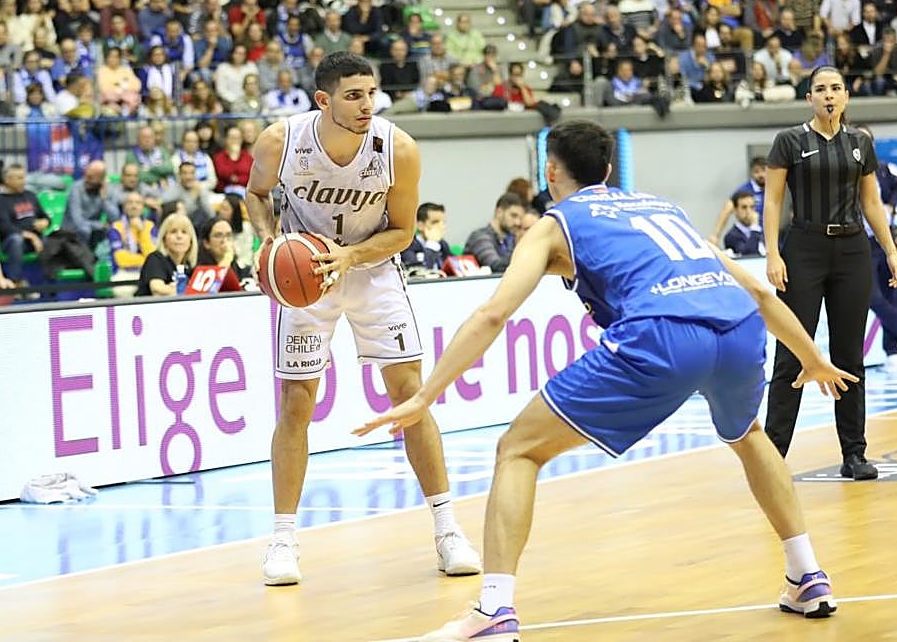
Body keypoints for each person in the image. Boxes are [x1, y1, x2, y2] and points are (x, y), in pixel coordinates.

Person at [356, 119, 859, 640]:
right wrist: (811, 356)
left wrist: (424, 395)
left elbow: (492, 315)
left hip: (661, 335)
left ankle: (493, 611)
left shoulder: (554, 223)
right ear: (610, 169)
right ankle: (807, 576)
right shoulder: (660, 206)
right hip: (737, 330)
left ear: (551, 171)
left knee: (518, 449)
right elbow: (756, 292)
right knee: (748, 435)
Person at [245, 52, 480, 587]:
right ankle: (282, 541)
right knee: (296, 402)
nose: (366, 105)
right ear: (323, 101)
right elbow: (257, 195)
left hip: (372, 270)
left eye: (371, 93)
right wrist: (269, 241)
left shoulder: (397, 149)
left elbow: (402, 231)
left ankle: (448, 530)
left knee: (410, 396)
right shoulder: (280, 142)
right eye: (353, 95)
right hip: (307, 274)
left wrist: (350, 257)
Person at [763, 67, 897, 481]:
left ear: (846, 96)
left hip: (851, 251)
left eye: (836, 88)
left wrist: (891, 251)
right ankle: (773, 456)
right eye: (821, 89)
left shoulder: (860, 143)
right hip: (804, 248)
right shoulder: (789, 141)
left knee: (850, 357)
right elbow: (773, 203)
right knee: (792, 353)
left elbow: (872, 203)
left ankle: (854, 454)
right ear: (810, 97)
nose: (829, 95)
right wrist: (774, 253)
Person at [0, 164, 50, 283]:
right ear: (7, 180)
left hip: (34, 239)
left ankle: (48, 282)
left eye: (23, 177)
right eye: (19, 178)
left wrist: (45, 222)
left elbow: (45, 216)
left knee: (53, 240)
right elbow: (5, 227)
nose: (23, 181)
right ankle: (14, 281)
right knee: (16, 240)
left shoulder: (30, 195)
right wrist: (30, 235)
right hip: (11, 241)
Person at [136, 212, 196, 297]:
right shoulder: (155, 258)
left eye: (184, 232)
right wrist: (185, 289)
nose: (179, 236)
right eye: (173, 232)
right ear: (164, 239)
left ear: (191, 240)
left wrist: (173, 289)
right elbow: (157, 290)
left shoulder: (190, 263)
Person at [464, 193, 527, 273]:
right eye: (513, 216)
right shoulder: (479, 237)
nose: (517, 222)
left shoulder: (509, 240)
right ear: (499, 212)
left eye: (520, 218)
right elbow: (495, 266)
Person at [712, 156, 767, 244]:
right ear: (752, 173)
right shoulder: (745, 189)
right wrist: (715, 235)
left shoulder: (771, 189)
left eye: (763, 170)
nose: (761, 175)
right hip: (750, 236)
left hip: (768, 235)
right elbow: (726, 210)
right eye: (756, 171)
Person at [400, 202, 452, 272]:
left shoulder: (442, 244)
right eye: (435, 222)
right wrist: (431, 245)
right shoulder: (408, 246)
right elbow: (419, 273)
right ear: (420, 226)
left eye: (443, 222)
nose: (441, 226)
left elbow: (454, 267)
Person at [724, 190, 765, 257]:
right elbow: (750, 254)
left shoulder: (762, 230)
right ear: (735, 210)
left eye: (752, 207)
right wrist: (755, 228)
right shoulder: (731, 236)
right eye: (744, 207)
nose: (749, 211)